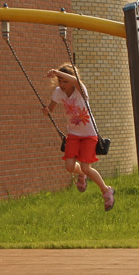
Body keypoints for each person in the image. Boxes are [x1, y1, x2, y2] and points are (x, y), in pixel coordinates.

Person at [47, 63, 114, 211]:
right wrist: (46, 110)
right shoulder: (58, 92)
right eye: (60, 81)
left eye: (65, 81)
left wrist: (58, 72)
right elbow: (51, 108)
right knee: (69, 167)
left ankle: (106, 190)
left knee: (86, 167)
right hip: (74, 134)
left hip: (89, 134)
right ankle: (82, 175)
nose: (62, 84)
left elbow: (76, 80)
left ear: (71, 81)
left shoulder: (80, 89)